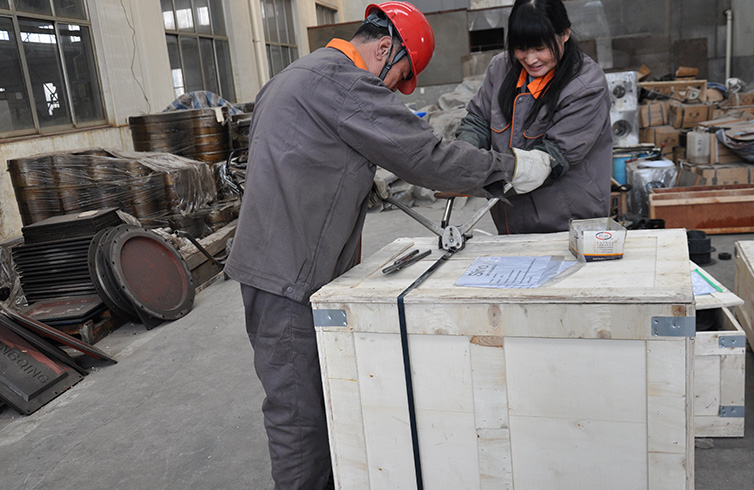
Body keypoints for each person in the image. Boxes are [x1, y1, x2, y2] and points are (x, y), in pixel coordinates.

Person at [224, 2, 562, 489]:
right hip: (290, 275)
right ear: (385, 48)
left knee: (321, 399)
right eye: (398, 77)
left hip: (273, 264)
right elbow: (426, 157)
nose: (390, 90)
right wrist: (509, 167)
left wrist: (354, 175)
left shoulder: (294, 75)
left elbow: (299, 155)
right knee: (301, 418)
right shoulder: (347, 83)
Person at [455, 0, 613, 234]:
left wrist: (487, 168)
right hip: (509, 218)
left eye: (540, 48)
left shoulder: (586, 86)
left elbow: (553, 158)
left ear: (565, 34)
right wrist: (461, 158)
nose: (530, 59)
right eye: (521, 48)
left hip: (567, 221)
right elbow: (478, 121)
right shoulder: (501, 67)